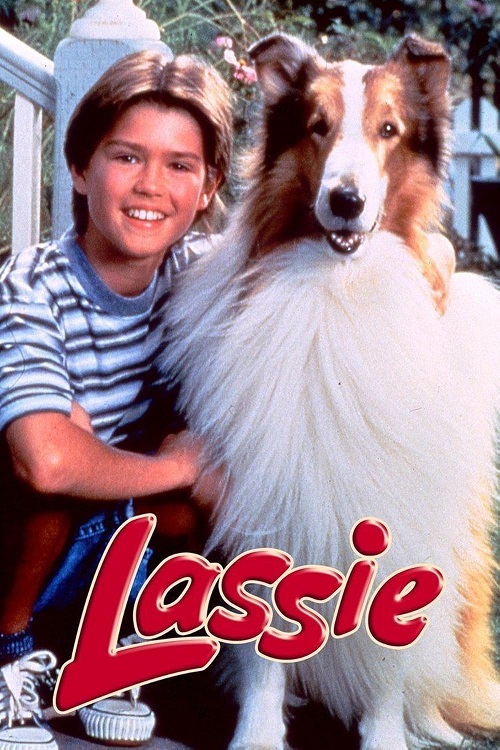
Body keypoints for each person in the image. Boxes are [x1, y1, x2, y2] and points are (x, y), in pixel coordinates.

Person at [0, 49, 232, 749]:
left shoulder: (201, 273)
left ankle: (111, 659)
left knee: (186, 500)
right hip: (21, 542)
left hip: (112, 543)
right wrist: (180, 465)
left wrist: (432, 256)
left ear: (209, 186)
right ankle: (9, 658)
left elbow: (298, 254)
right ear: (79, 167)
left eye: (179, 165)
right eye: (126, 157)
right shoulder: (31, 285)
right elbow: (47, 463)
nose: (151, 185)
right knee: (54, 476)